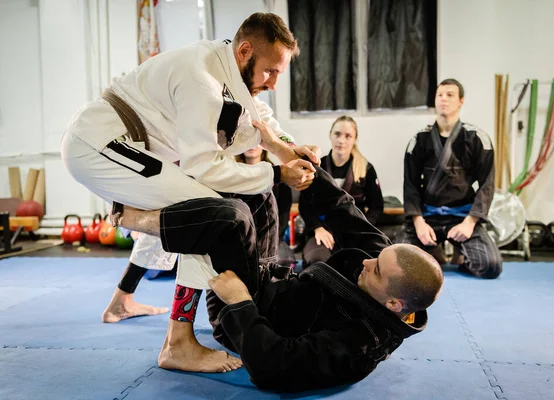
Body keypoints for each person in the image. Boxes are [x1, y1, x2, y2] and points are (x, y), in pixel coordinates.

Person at [61, 12, 320, 371]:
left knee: (180, 209)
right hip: (99, 144)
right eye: (270, 71)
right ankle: (178, 342)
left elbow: (258, 116)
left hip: (137, 148)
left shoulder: (231, 68)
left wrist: (290, 146)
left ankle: (123, 295)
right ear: (246, 51)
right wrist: (276, 172)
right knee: (208, 212)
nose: (274, 82)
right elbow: (204, 166)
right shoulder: (202, 78)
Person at [114, 155, 443, 392]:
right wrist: (307, 172)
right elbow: (344, 211)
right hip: (276, 285)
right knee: (262, 196)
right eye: (377, 258)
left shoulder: (356, 348)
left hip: (246, 317)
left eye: (376, 271)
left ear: (394, 305)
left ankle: (131, 218)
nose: (367, 263)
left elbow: (273, 368)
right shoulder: (388, 267)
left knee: (233, 219)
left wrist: (239, 302)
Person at [400, 78, 502, 279]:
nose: (443, 99)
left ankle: (460, 253)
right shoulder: (420, 139)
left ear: (461, 101)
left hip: (462, 217)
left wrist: (470, 222)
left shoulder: (476, 138)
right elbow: (410, 185)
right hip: (428, 217)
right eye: (439, 95)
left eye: (450, 95)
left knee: (490, 266)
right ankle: (433, 250)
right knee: (399, 263)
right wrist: (418, 222)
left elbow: (487, 185)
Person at [300, 116, 384, 265]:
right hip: (324, 233)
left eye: (348, 136)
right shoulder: (317, 167)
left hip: (354, 232)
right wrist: (318, 228)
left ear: (355, 139)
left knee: (359, 264)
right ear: (330, 135)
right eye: (337, 134)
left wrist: (361, 229)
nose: (341, 140)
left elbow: (376, 207)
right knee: (318, 262)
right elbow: (304, 205)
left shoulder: (366, 169)